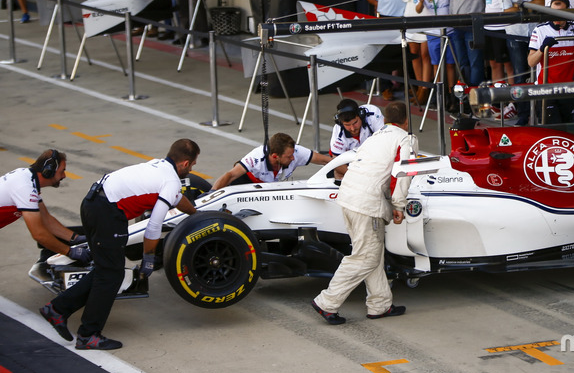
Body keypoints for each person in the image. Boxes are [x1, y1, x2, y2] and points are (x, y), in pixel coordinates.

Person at [40, 139, 201, 350]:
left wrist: (196, 214)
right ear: (186, 163)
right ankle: (88, 335)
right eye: (194, 164)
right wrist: (149, 258)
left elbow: (178, 199)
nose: (193, 168)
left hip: (92, 203)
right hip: (108, 212)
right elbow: (153, 226)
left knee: (105, 270)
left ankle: (57, 310)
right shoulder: (171, 181)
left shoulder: (158, 167)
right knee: (111, 275)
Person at [311, 101, 417, 324]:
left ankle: (380, 305)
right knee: (365, 257)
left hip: (348, 198)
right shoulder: (405, 139)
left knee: (372, 255)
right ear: (407, 121)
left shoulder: (375, 136)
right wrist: (398, 206)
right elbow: (404, 174)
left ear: (386, 119)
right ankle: (326, 302)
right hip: (367, 204)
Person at [0, 149, 88, 261]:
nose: (64, 175)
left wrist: (76, 238)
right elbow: (39, 234)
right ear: (48, 171)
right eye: (62, 171)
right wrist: (69, 252)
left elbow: (46, 220)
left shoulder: (28, 180)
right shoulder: (24, 188)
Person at [527, 0, 574, 123]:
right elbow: (531, 62)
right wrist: (542, 49)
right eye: (552, 13)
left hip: (569, 88)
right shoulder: (540, 30)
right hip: (545, 88)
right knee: (551, 128)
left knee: (567, 128)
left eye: (560, 13)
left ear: (568, 12)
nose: (556, 17)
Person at [212, 133, 330, 190]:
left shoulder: (296, 152)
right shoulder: (256, 158)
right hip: (246, 184)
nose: (293, 158)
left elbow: (327, 161)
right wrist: (210, 195)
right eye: (289, 157)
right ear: (275, 156)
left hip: (270, 187)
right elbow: (230, 175)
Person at [496, 0, 533, 125]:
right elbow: (507, 9)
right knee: (520, 74)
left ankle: (542, 111)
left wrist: (520, 6)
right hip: (515, 33)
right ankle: (523, 114)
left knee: (539, 73)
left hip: (534, 32)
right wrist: (530, 6)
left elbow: (543, 1)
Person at [416, 0, 458, 112]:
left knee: (450, 64)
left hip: (450, 31)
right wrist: (421, 1)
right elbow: (418, 10)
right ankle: (440, 97)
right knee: (436, 65)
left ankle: (452, 96)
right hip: (433, 33)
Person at [401, 0, 436, 102]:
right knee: (414, 54)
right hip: (411, 12)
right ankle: (418, 86)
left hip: (427, 12)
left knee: (425, 54)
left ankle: (425, 89)